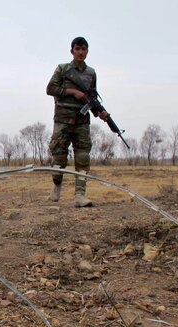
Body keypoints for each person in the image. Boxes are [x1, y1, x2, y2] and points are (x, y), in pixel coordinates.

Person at [46, 37, 108, 207]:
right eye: (78, 49)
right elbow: (50, 89)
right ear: (72, 50)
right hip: (63, 120)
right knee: (58, 155)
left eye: (84, 49)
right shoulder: (63, 69)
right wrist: (72, 92)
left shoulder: (91, 73)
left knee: (82, 157)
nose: (81, 52)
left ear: (87, 51)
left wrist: (100, 112)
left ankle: (80, 195)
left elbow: (91, 98)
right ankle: (57, 185)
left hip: (82, 121)